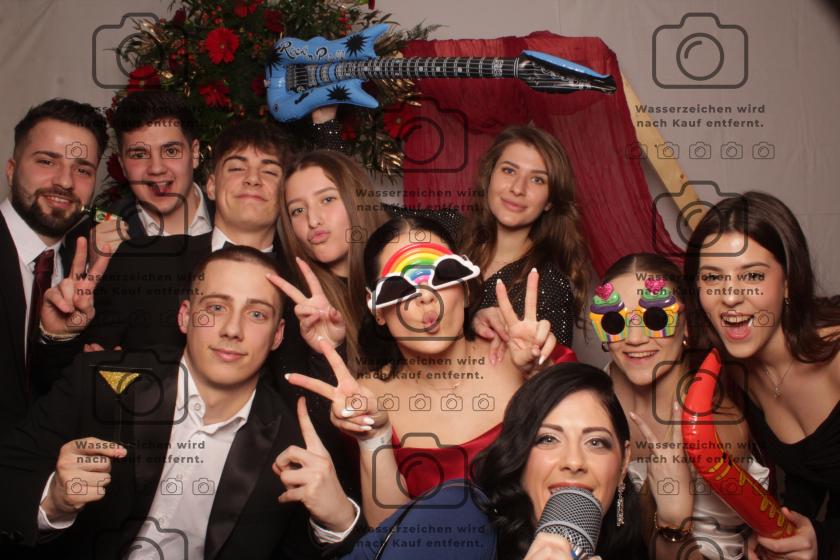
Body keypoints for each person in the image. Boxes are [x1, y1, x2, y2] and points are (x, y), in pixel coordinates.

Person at [0, 246, 361, 558]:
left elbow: (302, 549)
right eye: (216, 307)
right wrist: (53, 502)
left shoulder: (293, 442)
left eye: (256, 314)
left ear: (278, 335)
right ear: (185, 316)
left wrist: (338, 524)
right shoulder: (97, 381)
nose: (232, 329)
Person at [276, 215, 558, 527]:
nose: (426, 297)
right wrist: (374, 438)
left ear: (465, 289)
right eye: (399, 286)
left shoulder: (530, 357)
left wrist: (541, 378)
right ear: (377, 309)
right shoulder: (366, 400)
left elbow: (585, 468)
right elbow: (389, 536)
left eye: (442, 275)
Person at [339, 363, 647, 559]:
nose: (574, 461)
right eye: (548, 439)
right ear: (520, 455)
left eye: (596, 442)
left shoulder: (627, 546)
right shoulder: (458, 518)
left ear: (623, 464)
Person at [684, 191, 836, 560]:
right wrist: (778, 535)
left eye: (752, 275)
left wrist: (822, 540)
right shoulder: (738, 369)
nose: (730, 297)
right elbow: (808, 476)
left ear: (788, 282)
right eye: (712, 277)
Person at [593, 252, 769, 559]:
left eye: (656, 318)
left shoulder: (718, 430)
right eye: (614, 321)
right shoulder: (586, 399)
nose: (634, 338)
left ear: (686, 326)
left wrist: (673, 518)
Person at [0, 98, 107, 434]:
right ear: (12, 169)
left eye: (83, 170)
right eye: (47, 161)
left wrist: (59, 344)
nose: (65, 182)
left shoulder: (91, 274)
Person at [460, 125, 589, 359]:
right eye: (509, 170)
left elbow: (553, 378)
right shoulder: (445, 234)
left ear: (550, 200)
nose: (518, 188)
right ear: (489, 177)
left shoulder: (551, 287)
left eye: (538, 180)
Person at [276, 149, 388, 374]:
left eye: (327, 200)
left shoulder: (407, 269)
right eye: (297, 210)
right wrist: (328, 350)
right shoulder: (299, 307)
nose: (313, 220)